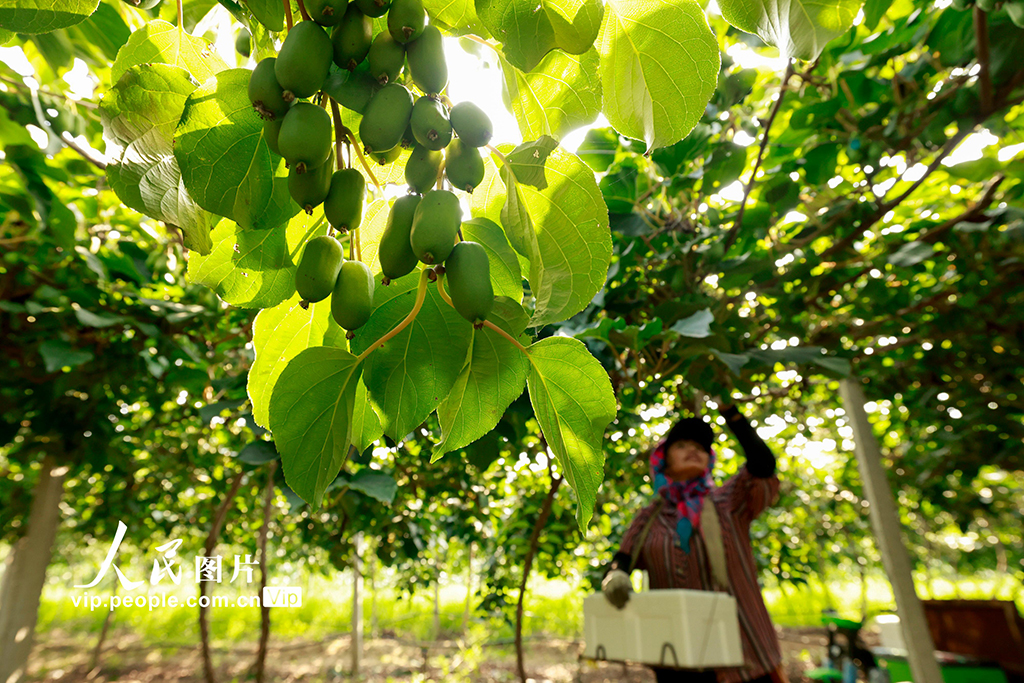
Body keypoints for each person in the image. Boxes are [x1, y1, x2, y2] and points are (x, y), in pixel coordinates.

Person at [601, 403, 784, 683]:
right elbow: (623, 559)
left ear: (709, 460)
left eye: (700, 447)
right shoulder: (649, 518)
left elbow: (763, 467)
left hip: (744, 651)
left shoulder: (728, 502)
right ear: (664, 459)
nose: (693, 450)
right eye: (682, 445)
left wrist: (732, 414)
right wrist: (616, 575)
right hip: (677, 657)